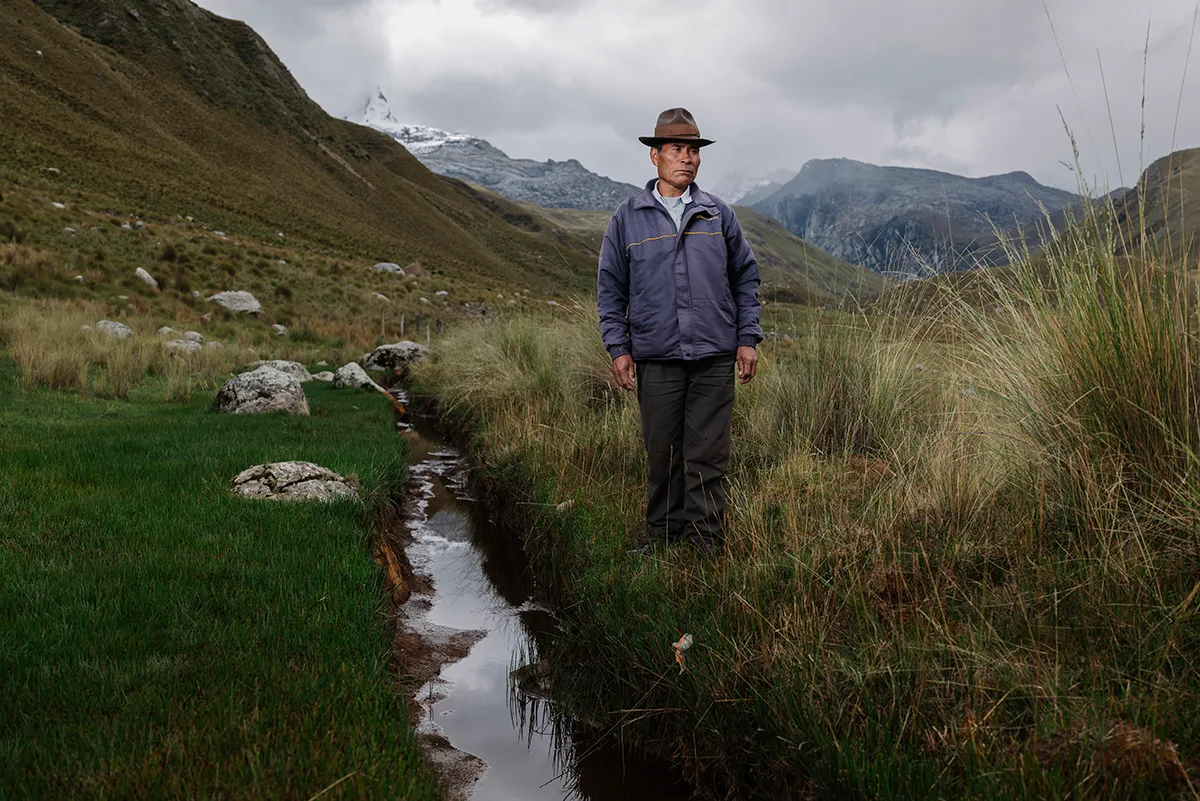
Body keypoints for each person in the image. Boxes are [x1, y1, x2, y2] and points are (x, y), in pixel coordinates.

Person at [596, 107, 762, 555]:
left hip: (713, 355)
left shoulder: (718, 215)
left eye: (692, 150)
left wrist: (747, 339)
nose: (686, 159)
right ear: (655, 157)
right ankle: (662, 542)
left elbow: (745, 277)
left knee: (707, 455)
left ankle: (704, 544)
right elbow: (611, 289)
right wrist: (618, 348)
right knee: (662, 455)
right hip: (657, 356)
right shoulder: (627, 218)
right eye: (675, 149)